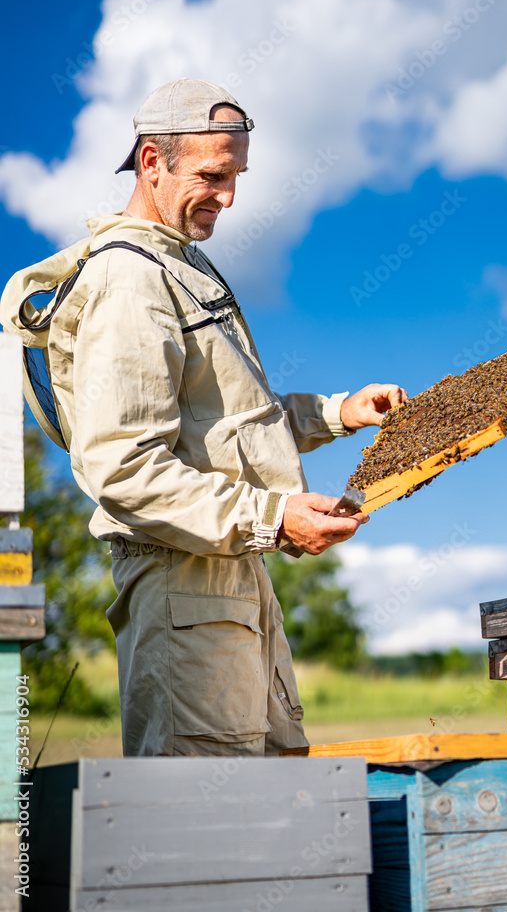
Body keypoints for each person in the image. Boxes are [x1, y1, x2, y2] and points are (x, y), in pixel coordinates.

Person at [1, 78, 407, 757]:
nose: (228, 196)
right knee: (203, 829)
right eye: (212, 175)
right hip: (180, 586)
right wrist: (273, 516)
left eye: (237, 176)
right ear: (152, 163)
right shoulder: (131, 280)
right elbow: (122, 467)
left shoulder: (181, 266)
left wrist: (341, 412)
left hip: (228, 579)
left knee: (271, 808)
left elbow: (226, 421)